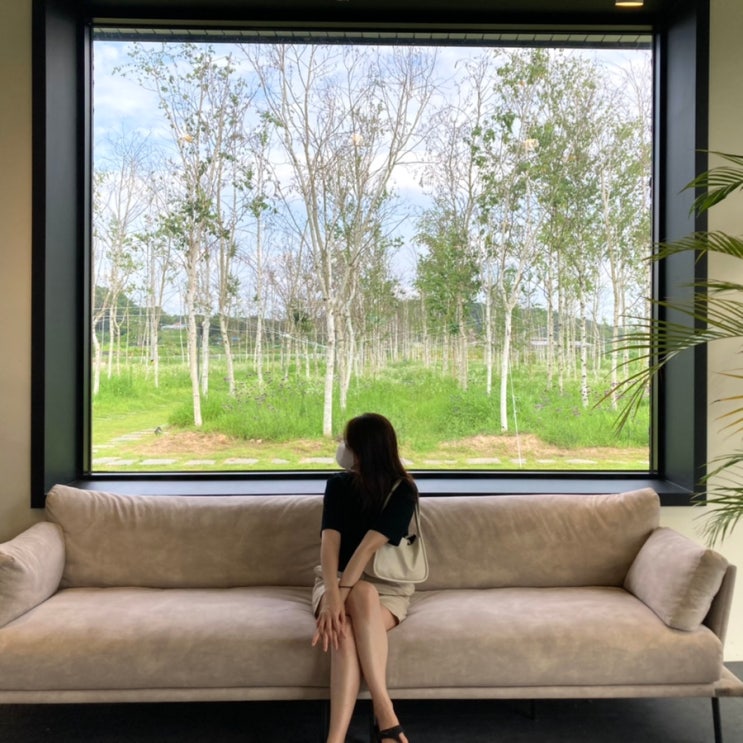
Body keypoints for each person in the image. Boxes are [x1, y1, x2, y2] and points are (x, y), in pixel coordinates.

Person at [312, 413, 418, 743]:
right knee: (350, 614)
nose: (342, 448)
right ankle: (383, 719)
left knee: (359, 601)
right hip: (333, 580)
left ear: (363, 450)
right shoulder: (338, 485)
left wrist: (338, 599)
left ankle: (353, 729)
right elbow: (330, 542)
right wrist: (332, 595)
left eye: (347, 442)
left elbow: (366, 549)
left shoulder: (403, 490)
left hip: (387, 588)